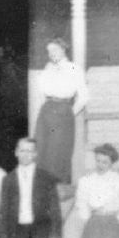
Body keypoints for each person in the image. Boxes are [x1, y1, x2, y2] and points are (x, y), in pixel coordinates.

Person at [34, 39, 88, 184]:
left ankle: (60, 189)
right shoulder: (47, 69)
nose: (52, 54)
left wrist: (70, 112)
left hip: (64, 111)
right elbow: (41, 93)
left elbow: (83, 97)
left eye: (55, 50)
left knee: (58, 153)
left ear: (64, 49)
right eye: (49, 51)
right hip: (46, 111)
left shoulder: (74, 68)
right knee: (41, 150)